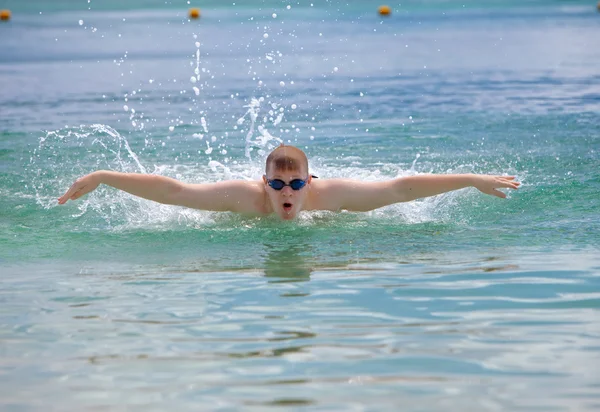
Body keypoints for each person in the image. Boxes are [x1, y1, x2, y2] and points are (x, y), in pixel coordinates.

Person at [58, 144, 520, 220]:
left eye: (295, 186)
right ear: (263, 185)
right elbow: (173, 191)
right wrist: (103, 177)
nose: (286, 194)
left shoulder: (330, 196)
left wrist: (471, 180)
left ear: (308, 182)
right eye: (277, 186)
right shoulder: (242, 199)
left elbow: (401, 189)